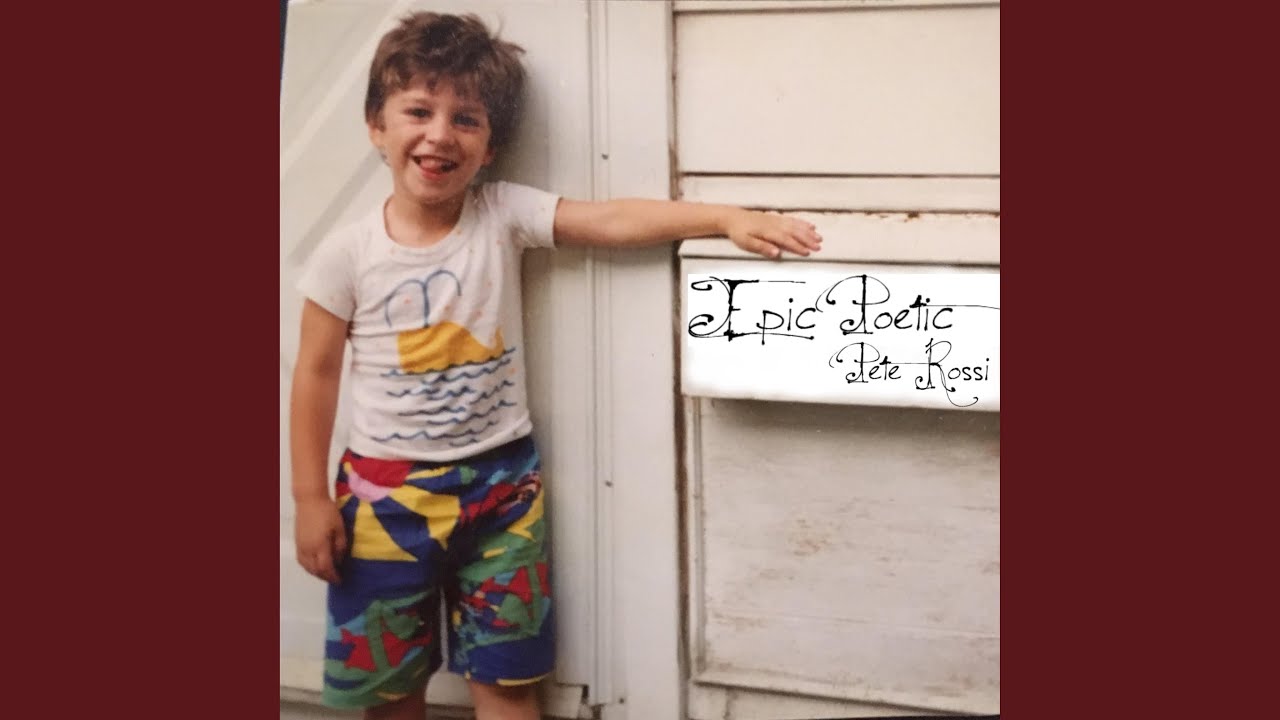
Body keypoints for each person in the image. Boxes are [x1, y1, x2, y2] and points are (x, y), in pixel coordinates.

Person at [289, 11, 822, 719]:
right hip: (385, 500)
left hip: (503, 493)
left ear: (490, 147)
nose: (440, 134)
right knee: (389, 692)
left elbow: (609, 220)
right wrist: (310, 499)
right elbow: (316, 374)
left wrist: (723, 218)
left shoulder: (500, 213)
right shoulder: (346, 255)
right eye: (418, 111)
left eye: (466, 119)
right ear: (376, 126)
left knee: (511, 683)